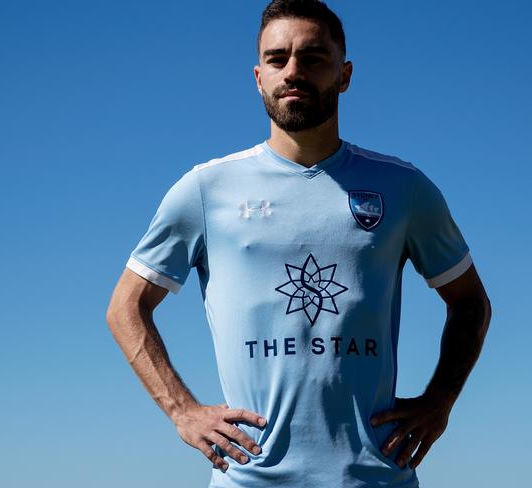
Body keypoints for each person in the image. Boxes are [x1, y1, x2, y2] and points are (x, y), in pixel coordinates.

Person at [106, 0, 492, 486]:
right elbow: (126, 306)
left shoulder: (403, 188)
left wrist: (440, 402)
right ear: (258, 77)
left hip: (375, 477)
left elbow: (471, 303)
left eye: (313, 57)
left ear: (345, 74)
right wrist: (183, 411)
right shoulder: (206, 189)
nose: (293, 71)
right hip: (249, 479)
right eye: (277, 59)